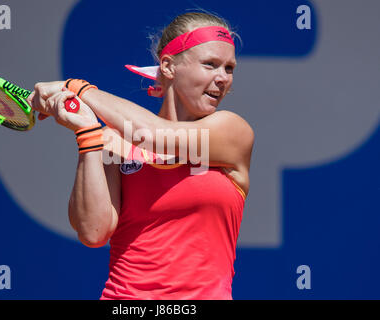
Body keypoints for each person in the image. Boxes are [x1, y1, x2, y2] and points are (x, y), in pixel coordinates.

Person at [28, 11, 254, 300]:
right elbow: (93, 232)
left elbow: (154, 136)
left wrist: (76, 89)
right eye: (210, 65)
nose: (223, 78)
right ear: (169, 66)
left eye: (229, 68)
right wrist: (87, 133)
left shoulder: (233, 131)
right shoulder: (115, 142)